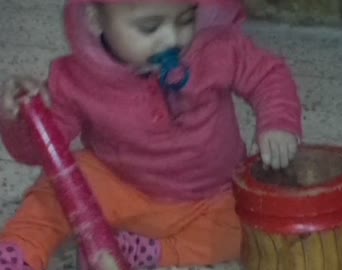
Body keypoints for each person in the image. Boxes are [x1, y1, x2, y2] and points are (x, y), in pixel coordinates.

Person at [0, 0, 303, 269]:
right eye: (149, 26)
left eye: (186, 18)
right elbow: (39, 152)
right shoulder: (74, 77)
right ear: (95, 20)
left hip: (212, 195)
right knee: (53, 192)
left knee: (254, 226)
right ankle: (20, 252)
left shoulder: (217, 46)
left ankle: (151, 252)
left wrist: (278, 123)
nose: (172, 39)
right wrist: (23, 119)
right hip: (121, 185)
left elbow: (268, 74)